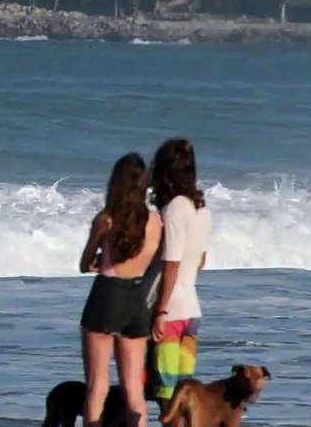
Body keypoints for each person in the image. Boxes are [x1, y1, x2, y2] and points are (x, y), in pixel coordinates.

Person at [78, 153, 163, 427]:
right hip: (136, 299)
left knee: (97, 386)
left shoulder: (106, 219)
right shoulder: (156, 222)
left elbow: (84, 263)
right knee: (134, 391)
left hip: (106, 295)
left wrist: (97, 258)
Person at [148, 138, 212, 412]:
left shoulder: (175, 208)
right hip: (192, 311)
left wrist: (159, 311)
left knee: (167, 395)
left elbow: (171, 264)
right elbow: (201, 261)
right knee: (185, 396)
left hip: (171, 311)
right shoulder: (201, 208)